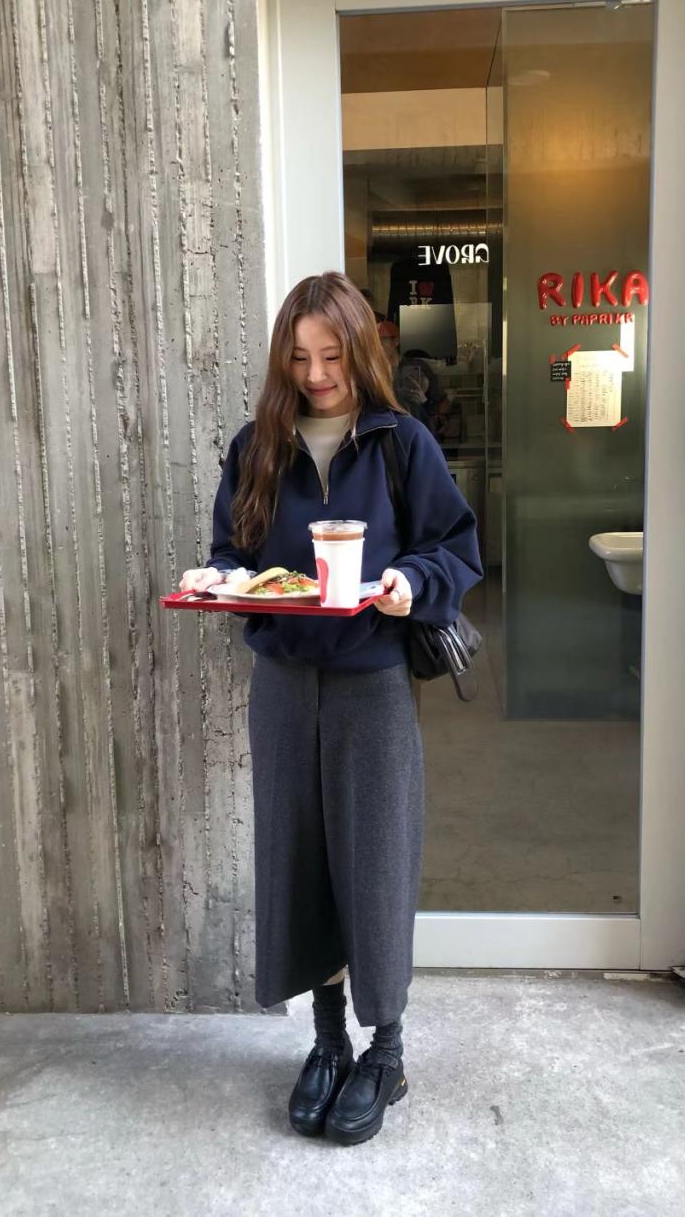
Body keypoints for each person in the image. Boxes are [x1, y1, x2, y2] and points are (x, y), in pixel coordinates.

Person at [179, 271, 482, 1146]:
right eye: (300, 357)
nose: (316, 374)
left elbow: (455, 548)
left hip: (371, 683)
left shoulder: (400, 442)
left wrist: (409, 581)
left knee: (375, 864)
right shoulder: (257, 446)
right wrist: (218, 578)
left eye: (332, 356)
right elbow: (233, 551)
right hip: (283, 684)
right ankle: (326, 1041)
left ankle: (386, 1050)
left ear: (361, 352)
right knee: (300, 863)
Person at [377, 320, 450, 438]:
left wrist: (441, 418)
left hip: (418, 430)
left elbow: (439, 399)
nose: (379, 346)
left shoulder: (417, 367)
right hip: (388, 433)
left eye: (383, 340)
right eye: (375, 341)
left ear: (396, 341)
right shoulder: (373, 372)